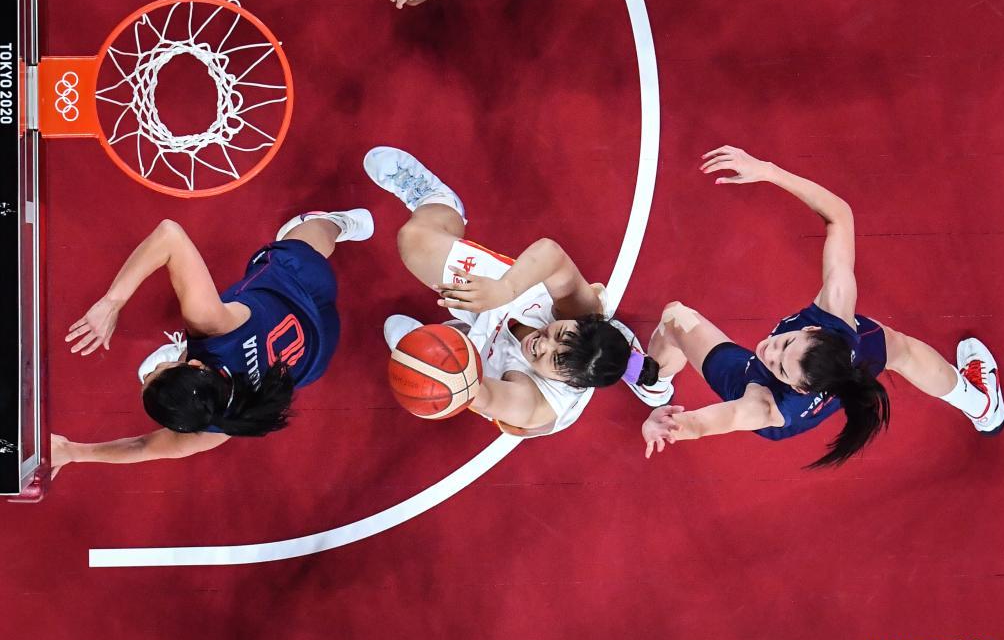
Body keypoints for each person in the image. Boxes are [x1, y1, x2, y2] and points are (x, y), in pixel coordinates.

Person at [642, 145, 1004, 466]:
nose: (768, 350)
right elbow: (840, 216)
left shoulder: (763, 406)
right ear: (815, 328)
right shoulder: (837, 315)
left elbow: (709, 423)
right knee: (898, 348)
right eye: (786, 342)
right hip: (832, 367)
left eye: (779, 365)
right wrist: (768, 171)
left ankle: (653, 384)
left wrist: (666, 425)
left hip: (755, 384)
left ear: (799, 388)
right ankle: (982, 406)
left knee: (675, 317)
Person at [365, 146, 674, 437]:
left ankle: (448, 339)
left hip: (495, 370)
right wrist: (505, 288)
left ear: (570, 382)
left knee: (446, 362)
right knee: (413, 240)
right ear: (579, 323)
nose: (543, 343)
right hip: (511, 301)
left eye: (555, 359)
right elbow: (551, 254)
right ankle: (439, 202)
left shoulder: (529, 403)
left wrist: (429, 365)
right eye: (559, 334)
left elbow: (475, 393)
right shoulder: (582, 311)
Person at [50, 209, 374, 472]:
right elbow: (170, 235)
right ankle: (336, 222)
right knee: (306, 237)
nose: (149, 372)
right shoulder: (213, 327)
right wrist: (112, 302)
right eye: (157, 371)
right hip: (294, 283)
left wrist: (73, 452)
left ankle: (340, 225)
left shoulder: (224, 421)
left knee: (310, 266)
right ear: (195, 364)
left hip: (315, 348)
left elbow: (144, 446)